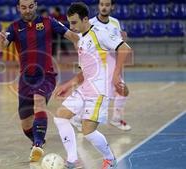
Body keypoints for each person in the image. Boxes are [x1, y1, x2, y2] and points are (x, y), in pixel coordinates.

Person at [0, 0, 79, 162]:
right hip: (25, 78)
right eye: (24, 7)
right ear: (18, 8)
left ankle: (38, 144)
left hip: (46, 75)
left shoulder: (49, 22)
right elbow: (1, 48)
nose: (27, 10)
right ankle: (36, 140)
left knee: (39, 101)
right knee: (26, 123)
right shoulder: (14, 27)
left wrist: (81, 42)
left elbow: (72, 36)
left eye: (30, 6)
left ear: (35, 5)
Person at [53, 2, 132, 169]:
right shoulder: (82, 40)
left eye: (74, 22)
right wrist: (68, 84)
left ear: (85, 19)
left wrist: (116, 74)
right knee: (60, 116)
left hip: (99, 90)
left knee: (87, 131)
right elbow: (86, 72)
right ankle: (72, 160)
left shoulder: (100, 33)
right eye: (69, 23)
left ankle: (110, 159)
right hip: (85, 88)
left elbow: (124, 49)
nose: (71, 26)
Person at [70, 0, 131, 131]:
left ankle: (116, 118)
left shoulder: (115, 23)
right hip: (96, 64)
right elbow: (79, 41)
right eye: (101, 4)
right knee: (92, 93)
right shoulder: (90, 22)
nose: (104, 7)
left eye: (107, 5)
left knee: (121, 91)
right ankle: (77, 119)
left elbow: (119, 42)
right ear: (98, 6)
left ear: (112, 6)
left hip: (111, 62)